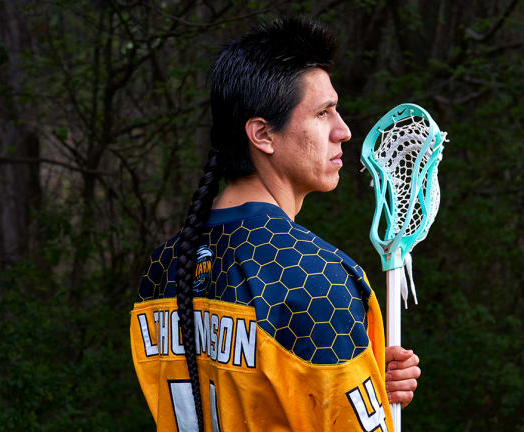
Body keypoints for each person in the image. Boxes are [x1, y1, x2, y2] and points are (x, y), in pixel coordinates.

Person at [130, 17, 421, 432]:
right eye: (323, 113)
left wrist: (370, 386)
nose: (343, 130)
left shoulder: (164, 266)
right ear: (263, 134)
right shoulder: (317, 279)